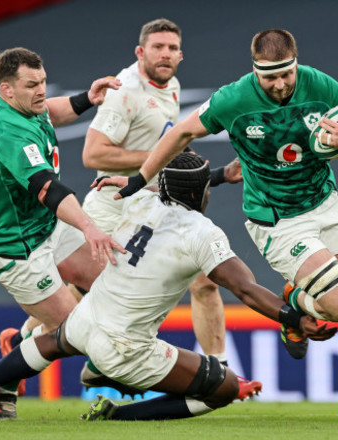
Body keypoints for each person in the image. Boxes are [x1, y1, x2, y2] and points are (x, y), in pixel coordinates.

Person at [95, 28, 338, 424]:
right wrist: (138, 179)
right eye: (270, 77)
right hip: (276, 218)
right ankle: (295, 298)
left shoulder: (322, 87)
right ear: (255, 72)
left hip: (326, 203)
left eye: (287, 74)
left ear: (296, 62)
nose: (281, 84)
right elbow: (182, 132)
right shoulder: (234, 99)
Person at [0, 153, 335, 421]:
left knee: (51, 343)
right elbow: (245, 288)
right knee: (225, 389)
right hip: (125, 346)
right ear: (201, 193)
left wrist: (201, 176)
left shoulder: (139, 203)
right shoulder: (202, 232)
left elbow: (160, 187)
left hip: (88, 318)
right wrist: (293, 318)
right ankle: (117, 416)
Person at [78, 17, 260, 399]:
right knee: (72, 307)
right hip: (111, 211)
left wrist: (219, 175)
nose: (165, 54)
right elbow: (92, 153)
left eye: (172, 48)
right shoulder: (126, 90)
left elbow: (166, 168)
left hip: (146, 205)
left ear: (181, 54)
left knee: (205, 280)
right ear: (140, 52)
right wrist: (162, 156)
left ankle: (220, 370)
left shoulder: (170, 86)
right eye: (157, 47)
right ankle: (20, 353)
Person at [0, 47, 125, 418]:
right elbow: (47, 189)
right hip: (17, 250)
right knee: (72, 332)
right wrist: (89, 227)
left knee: (116, 281)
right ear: (6, 90)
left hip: (46, 230)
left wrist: (85, 100)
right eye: (32, 85)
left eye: (43, 82)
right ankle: (2, 382)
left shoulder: (24, 107)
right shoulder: (8, 130)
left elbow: (50, 111)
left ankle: (21, 343)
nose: (41, 91)